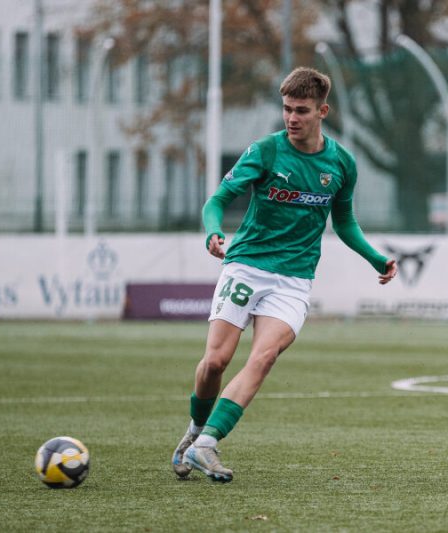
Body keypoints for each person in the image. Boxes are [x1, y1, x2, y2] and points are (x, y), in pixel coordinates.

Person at [172, 67, 397, 482]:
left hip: (294, 279)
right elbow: (216, 200)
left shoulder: (342, 163)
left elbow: (344, 222)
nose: (292, 118)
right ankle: (194, 430)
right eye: (287, 109)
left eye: (302, 110)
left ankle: (207, 444)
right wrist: (213, 231)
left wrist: (375, 258)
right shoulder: (266, 151)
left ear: (322, 111)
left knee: (264, 357)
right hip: (247, 265)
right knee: (215, 362)